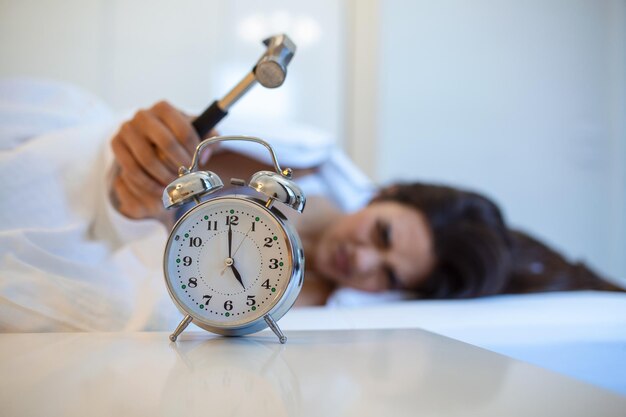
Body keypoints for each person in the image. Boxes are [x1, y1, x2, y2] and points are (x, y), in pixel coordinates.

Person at [111, 101, 624, 306]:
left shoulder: (316, 303)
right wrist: (147, 164)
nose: (362, 262)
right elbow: (163, 181)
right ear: (386, 193)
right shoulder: (292, 162)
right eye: (383, 235)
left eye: (390, 276)